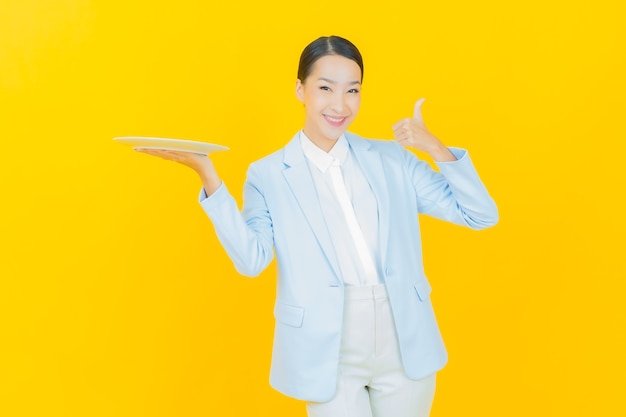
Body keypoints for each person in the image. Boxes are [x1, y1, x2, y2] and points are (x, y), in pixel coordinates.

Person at [137, 35, 498, 417]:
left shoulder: (393, 160)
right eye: (325, 88)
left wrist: (435, 148)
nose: (339, 104)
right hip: (326, 349)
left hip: (404, 341)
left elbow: (480, 214)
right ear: (300, 89)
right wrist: (207, 175)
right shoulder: (269, 174)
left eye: (352, 90)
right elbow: (251, 260)